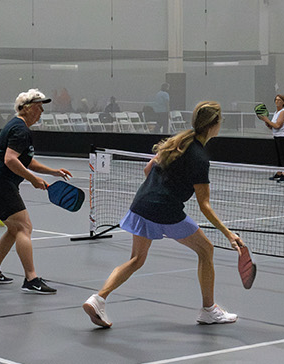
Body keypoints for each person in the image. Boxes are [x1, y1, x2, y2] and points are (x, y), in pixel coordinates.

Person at [82, 101, 245, 328]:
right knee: (206, 250)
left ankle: (98, 299)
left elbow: (148, 169)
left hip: (142, 203)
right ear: (213, 125)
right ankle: (209, 311)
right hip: (165, 210)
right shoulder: (199, 157)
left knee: (136, 259)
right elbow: (204, 205)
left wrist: (158, 188)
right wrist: (228, 234)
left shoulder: (178, 142)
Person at [0, 89, 71, 294]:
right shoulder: (20, 129)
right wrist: (33, 179)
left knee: (14, 229)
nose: (41, 111)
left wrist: (52, 172)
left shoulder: (18, 127)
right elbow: (10, 159)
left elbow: (26, 160)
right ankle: (31, 279)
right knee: (24, 227)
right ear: (27, 108)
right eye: (39, 107)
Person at [263, 94, 284, 182]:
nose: (277, 101)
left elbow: (277, 125)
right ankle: (279, 173)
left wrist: (267, 120)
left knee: (282, 156)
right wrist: (268, 123)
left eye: (279, 100)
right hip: (277, 136)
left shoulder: (283, 112)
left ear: (283, 102)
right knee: (279, 156)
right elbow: (273, 127)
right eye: (276, 100)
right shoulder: (276, 112)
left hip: (283, 137)